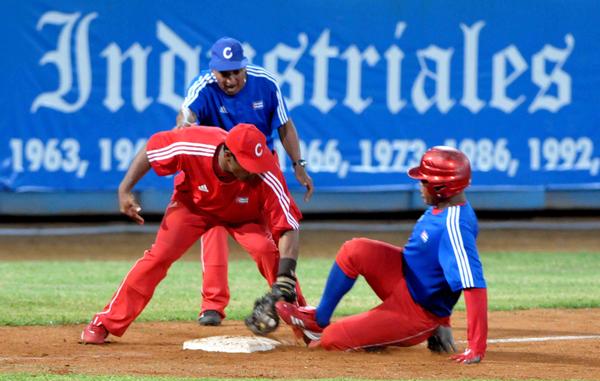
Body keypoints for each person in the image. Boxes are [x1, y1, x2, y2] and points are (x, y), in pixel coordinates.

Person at [80, 123, 304, 344]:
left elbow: (288, 225)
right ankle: (105, 322)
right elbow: (152, 149)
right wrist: (124, 189)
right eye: (246, 164)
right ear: (228, 156)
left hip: (245, 216)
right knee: (159, 256)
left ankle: (305, 325)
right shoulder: (194, 144)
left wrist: (285, 276)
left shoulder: (265, 171)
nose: (253, 169)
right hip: (193, 207)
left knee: (268, 251)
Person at [276, 146, 488, 364]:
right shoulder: (444, 205)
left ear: (441, 187)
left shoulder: (455, 226)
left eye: (425, 181)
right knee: (354, 249)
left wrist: (474, 346)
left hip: (417, 312)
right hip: (403, 275)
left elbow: (474, 286)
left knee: (332, 339)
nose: (420, 185)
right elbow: (432, 266)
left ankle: (358, 335)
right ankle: (319, 319)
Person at [176, 37, 314, 326]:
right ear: (213, 71)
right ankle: (212, 305)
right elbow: (187, 114)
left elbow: (284, 125)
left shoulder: (265, 83)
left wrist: (298, 165)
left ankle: (293, 305)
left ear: (244, 67)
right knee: (212, 227)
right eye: (224, 73)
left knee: (268, 243)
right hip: (219, 172)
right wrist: (185, 125)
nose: (231, 79)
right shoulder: (204, 86)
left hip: (258, 170)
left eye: (236, 71)